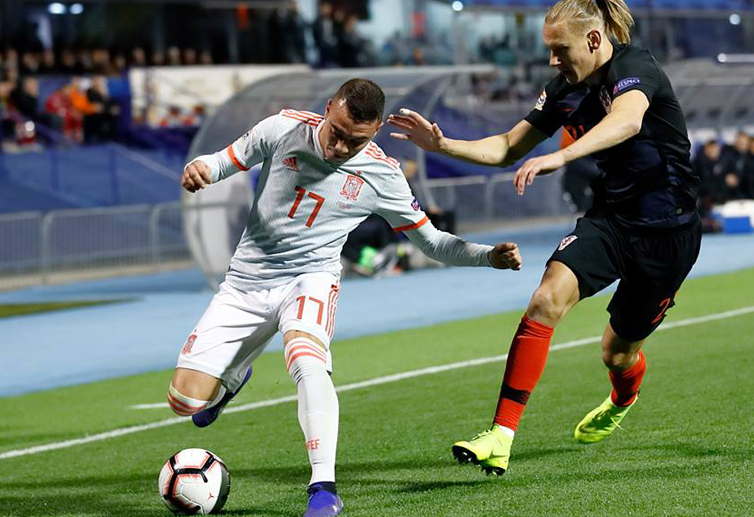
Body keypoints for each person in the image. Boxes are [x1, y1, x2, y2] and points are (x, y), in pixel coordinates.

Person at [167, 78, 522, 517]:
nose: (340, 147)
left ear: (373, 132)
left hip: (310, 279)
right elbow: (221, 162)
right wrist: (200, 168)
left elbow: (431, 243)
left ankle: (323, 489)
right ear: (329, 107)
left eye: (356, 140)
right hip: (246, 283)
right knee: (184, 402)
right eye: (336, 131)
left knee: (307, 360)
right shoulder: (282, 128)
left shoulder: (382, 174)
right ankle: (234, 377)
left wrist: (489, 257)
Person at [389, 0, 701, 475]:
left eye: (560, 49)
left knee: (617, 352)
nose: (552, 60)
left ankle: (624, 395)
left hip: (668, 232)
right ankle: (501, 434)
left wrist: (562, 156)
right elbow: (507, 147)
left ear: (594, 41)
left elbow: (628, 120)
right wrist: (442, 144)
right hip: (611, 220)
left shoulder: (635, 66)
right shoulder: (563, 90)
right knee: (544, 300)